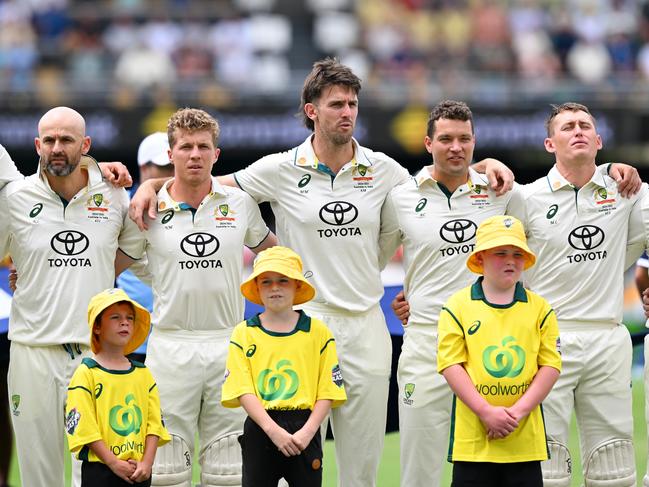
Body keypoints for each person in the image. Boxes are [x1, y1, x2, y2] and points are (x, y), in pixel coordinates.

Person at [128, 59, 516, 487]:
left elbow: (440, 179)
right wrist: (150, 186)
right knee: (291, 464)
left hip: (364, 325)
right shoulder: (277, 168)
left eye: (352, 103)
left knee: (361, 467)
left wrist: (483, 165)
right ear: (312, 110)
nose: (347, 112)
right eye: (336, 104)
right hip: (299, 329)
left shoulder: (385, 170)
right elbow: (208, 187)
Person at [392, 102, 644, 486]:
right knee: (547, 463)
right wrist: (485, 162)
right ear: (548, 143)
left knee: (612, 462)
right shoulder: (525, 197)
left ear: (599, 139)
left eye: (584, 126)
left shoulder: (628, 192)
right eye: (567, 127)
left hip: (603, 335)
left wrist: (612, 168)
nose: (577, 131)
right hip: (532, 336)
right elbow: (463, 178)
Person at [117, 108, 277, 487]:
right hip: (170, 344)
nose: (195, 154)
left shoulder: (239, 205)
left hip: (229, 343)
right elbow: (105, 266)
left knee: (228, 467)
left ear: (216, 155)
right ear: (171, 155)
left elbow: (276, 258)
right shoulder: (147, 210)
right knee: (167, 467)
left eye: (203, 146)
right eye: (185, 146)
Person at [0, 106, 142, 487]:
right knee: (38, 472)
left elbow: (132, 251)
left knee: (94, 472)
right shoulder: (14, 196)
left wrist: (88, 273)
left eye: (66, 139)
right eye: (49, 140)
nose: (57, 148)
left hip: (93, 352)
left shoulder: (114, 196)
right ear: (36, 145)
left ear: (86, 145)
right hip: (32, 350)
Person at [438, 215, 561, 486]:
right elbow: (450, 365)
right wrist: (485, 412)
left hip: (524, 441)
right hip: (473, 442)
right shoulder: (457, 306)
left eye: (518, 253)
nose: (510, 260)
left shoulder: (540, 308)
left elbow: (551, 366)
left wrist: (516, 413)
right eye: (500, 252)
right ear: (480, 258)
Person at [221, 246, 347, 486]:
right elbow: (241, 388)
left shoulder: (318, 332)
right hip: (261, 427)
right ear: (256, 288)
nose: (275, 287)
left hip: (305, 428)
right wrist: (272, 430)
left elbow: (328, 389)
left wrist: (309, 432)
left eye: (283, 280)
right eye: (266, 282)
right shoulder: (244, 332)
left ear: (297, 286)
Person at [65, 288, 170, 486]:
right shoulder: (86, 373)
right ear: (97, 327)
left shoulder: (143, 373)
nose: (125, 322)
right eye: (115, 317)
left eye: (130, 318)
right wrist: (113, 462)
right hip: (100, 471)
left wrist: (147, 463)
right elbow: (84, 427)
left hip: (138, 472)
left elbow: (155, 423)